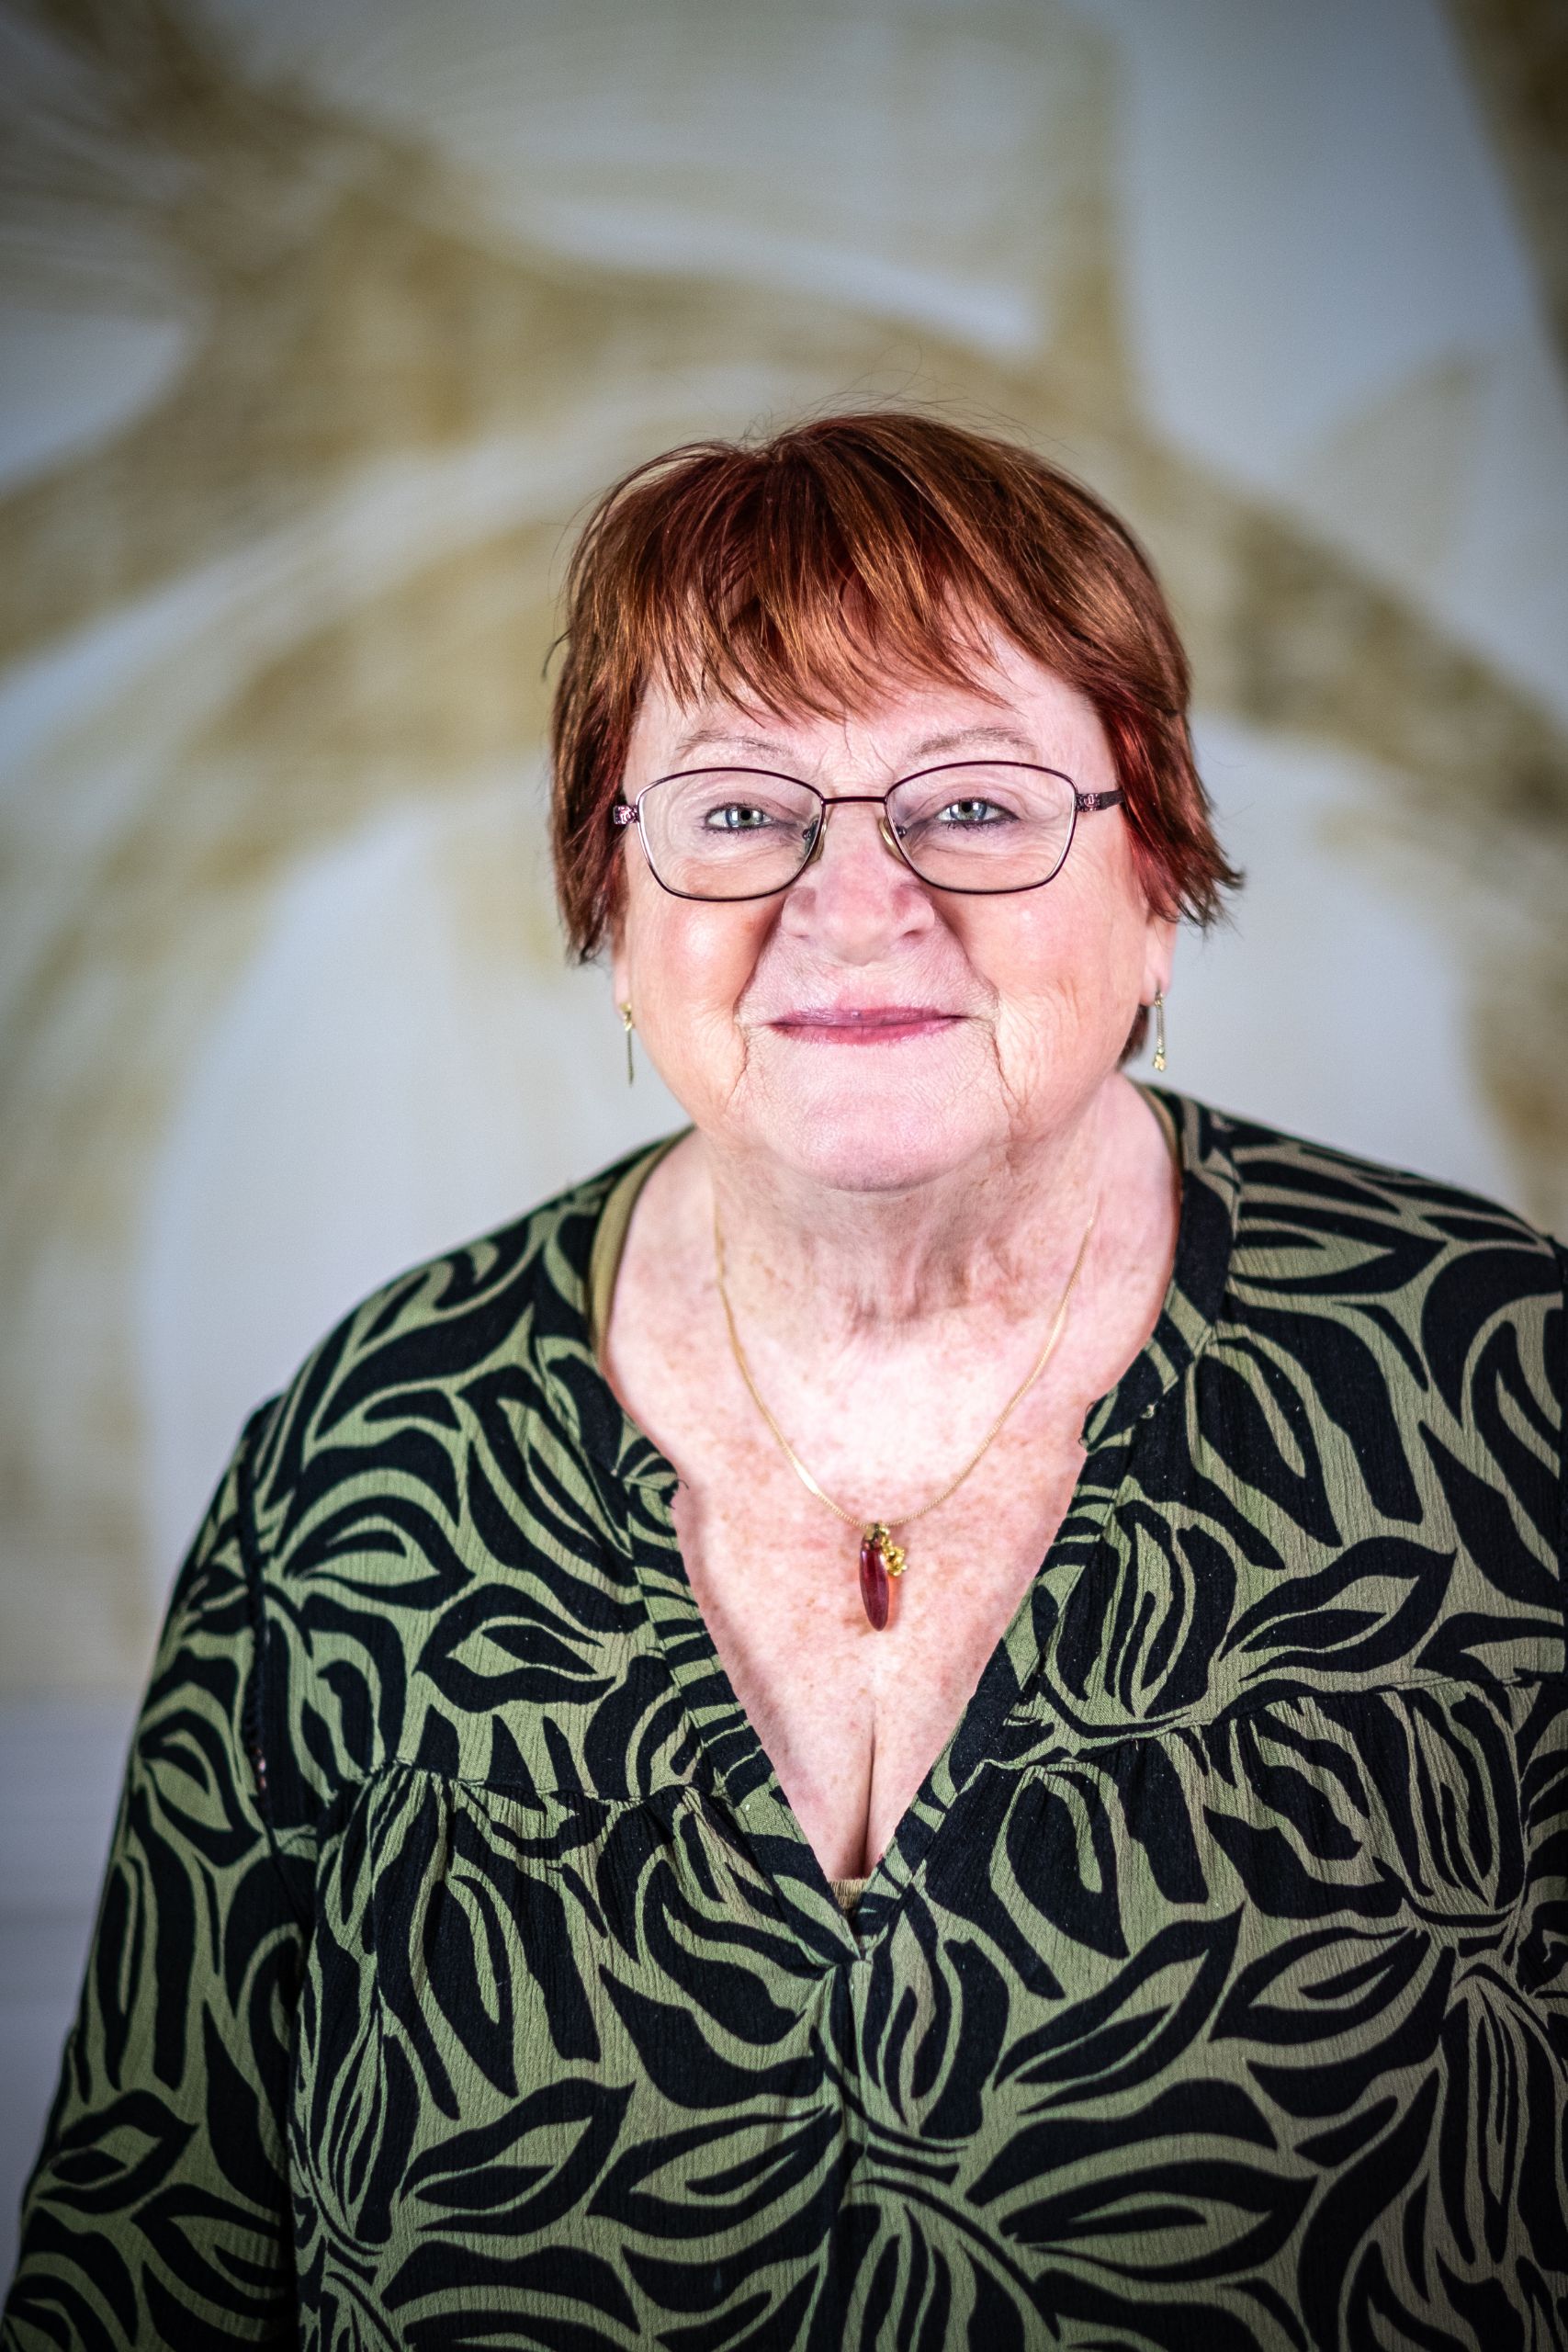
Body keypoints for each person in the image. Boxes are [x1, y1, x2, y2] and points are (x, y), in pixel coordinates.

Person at [5, 413, 1564, 2352]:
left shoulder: (1502, 1399)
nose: (852, 900)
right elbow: (141, 2268)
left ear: (1155, 871)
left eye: (972, 804)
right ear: (615, 906)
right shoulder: (357, 1464)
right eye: (740, 812)